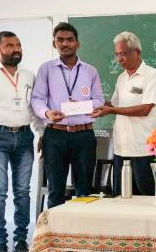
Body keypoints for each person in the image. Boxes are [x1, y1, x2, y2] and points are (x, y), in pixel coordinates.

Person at [31, 22, 104, 208]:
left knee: (85, 190)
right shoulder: (46, 69)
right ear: (54, 43)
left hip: (84, 135)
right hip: (55, 135)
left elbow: (99, 101)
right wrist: (47, 112)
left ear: (77, 43)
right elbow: (37, 98)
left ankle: (82, 235)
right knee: (56, 191)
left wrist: (81, 106)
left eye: (70, 40)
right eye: (60, 40)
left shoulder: (90, 70)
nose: (65, 44)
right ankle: (54, 236)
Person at [91, 31, 156, 196]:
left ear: (137, 52)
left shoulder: (152, 75)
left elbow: (145, 109)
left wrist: (111, 110)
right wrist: (90, 104)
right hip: (121, 149)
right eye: (116, 54)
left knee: (145, 199)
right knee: (121, 199)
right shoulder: (122, 78)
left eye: (122, 54)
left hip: (144, 150)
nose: (118, 59)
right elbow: (115, 104)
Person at [0, 31, 43, 252]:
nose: (16, 49)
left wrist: (41, 132)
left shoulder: (29, 75)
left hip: (25, 137)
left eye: (18, 44)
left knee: (22, 192)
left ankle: (21, 238)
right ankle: (0, 239)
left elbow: (33, 108)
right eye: (9, 45)